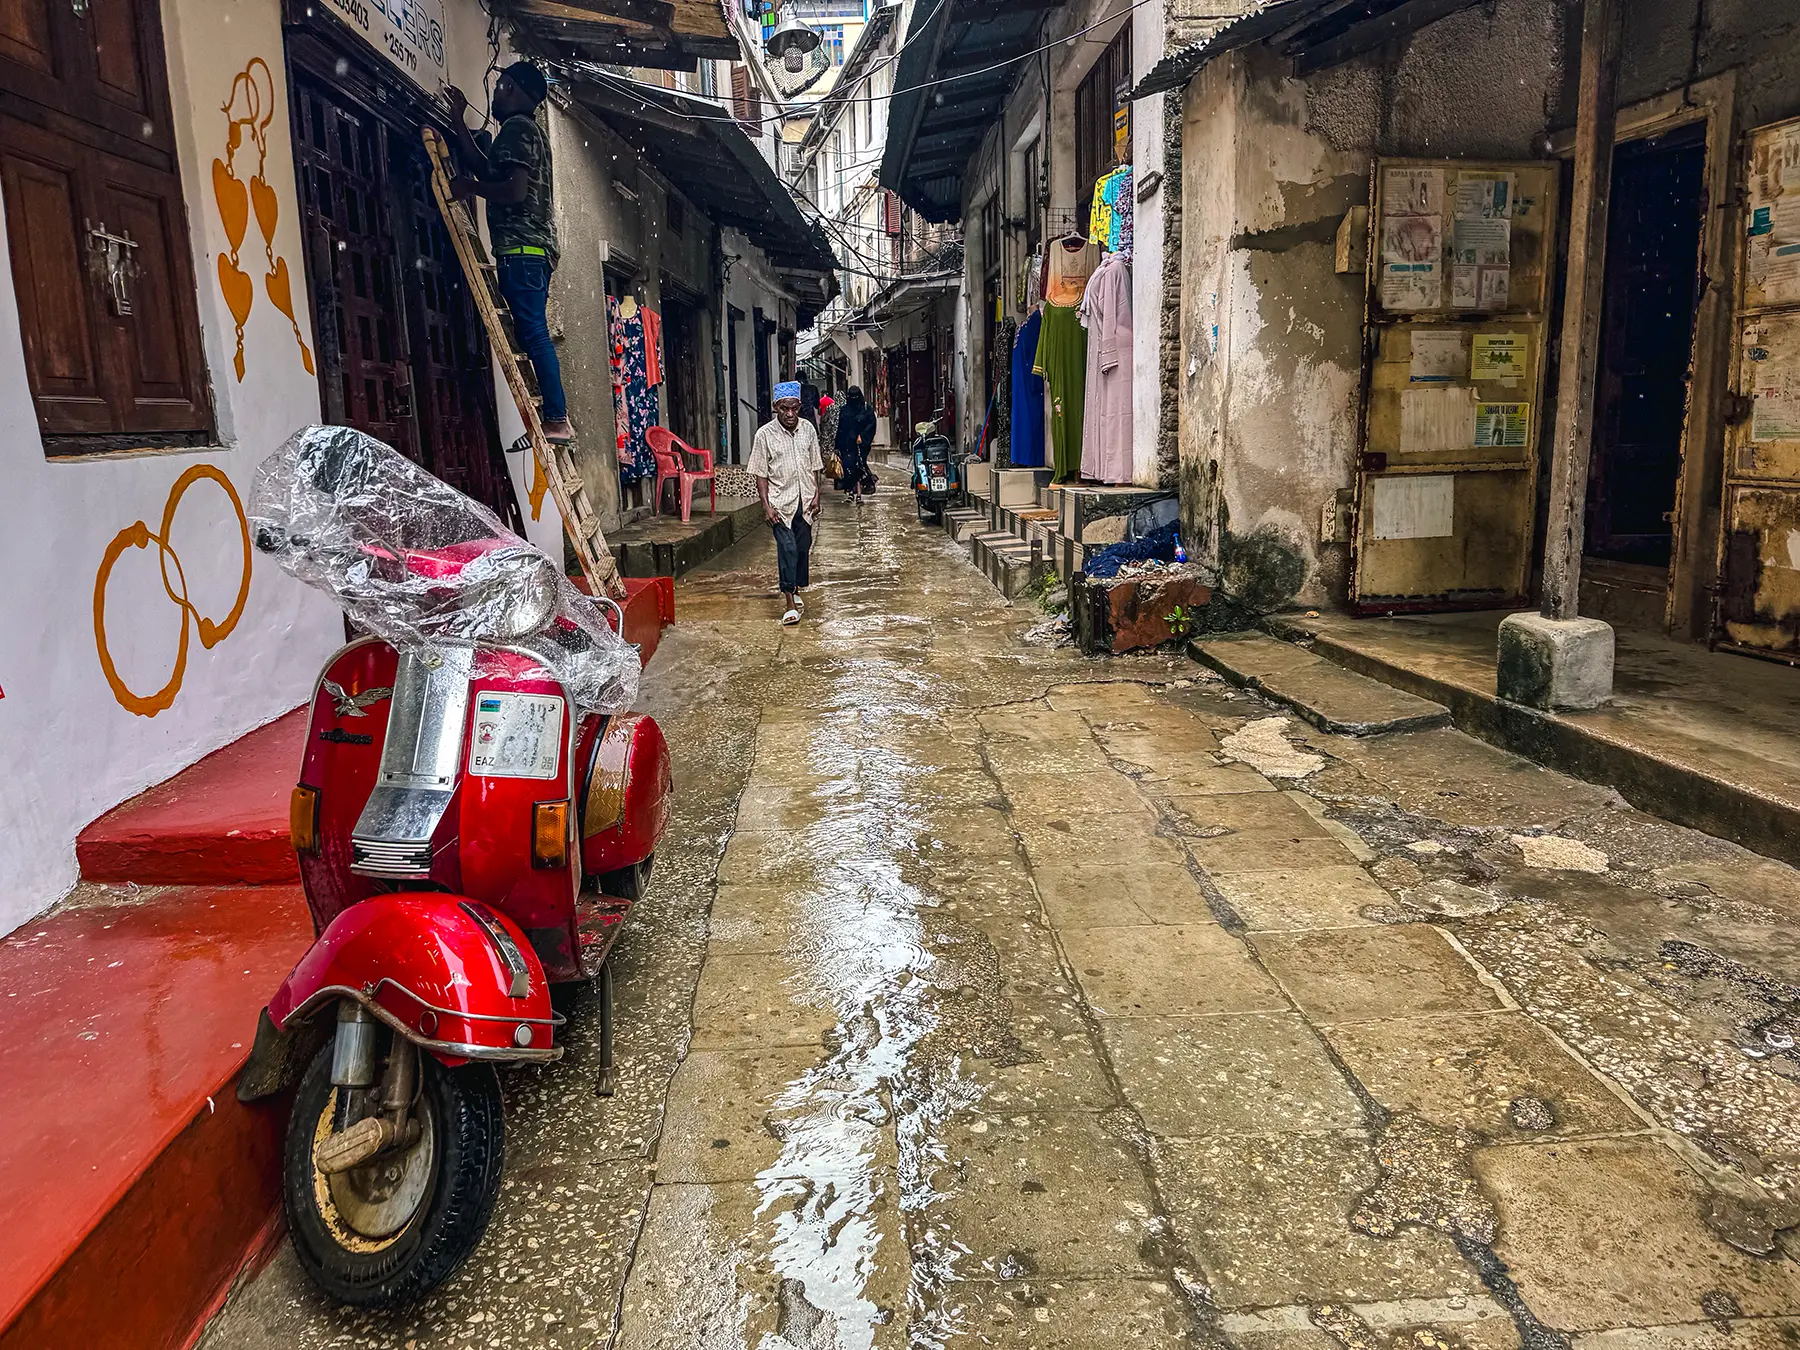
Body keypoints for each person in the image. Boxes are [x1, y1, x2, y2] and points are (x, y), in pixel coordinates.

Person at [444, 64, 574, 443]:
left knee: (534, 333)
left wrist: (470, 188)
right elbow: (487, 169)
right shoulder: (528, 133)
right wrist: (458, 121)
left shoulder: (517, 129)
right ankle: (555, 416)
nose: (496, 93)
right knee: (531, 333)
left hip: (522, 251)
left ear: (512, 88)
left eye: (500, 85)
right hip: (530, 252)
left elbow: (514, 191)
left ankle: (557, 419)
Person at [749, 381, 823, 626]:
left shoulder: (808, 429)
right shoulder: (764, 435)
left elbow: (815, 465)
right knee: (787, 548)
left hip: (805, 501)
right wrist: (766, 506)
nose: (790, 414)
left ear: (799, 406)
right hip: (780, 502)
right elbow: (760, 473)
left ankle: (796, 588)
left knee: (802, 548)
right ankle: (789, 601)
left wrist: (817, 495)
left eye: (794, 408)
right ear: (776, 407)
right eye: (784, 409)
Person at [834, 386, 877, 505]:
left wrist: (862, 436)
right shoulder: (844, 410)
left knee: (858, 467)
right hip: (846, 444)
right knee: (848, 468)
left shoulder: (866, 409)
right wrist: (837, 446)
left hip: (860, 445)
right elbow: (840, 428)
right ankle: (850, 493)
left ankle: (858, 494)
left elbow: (871, 425)